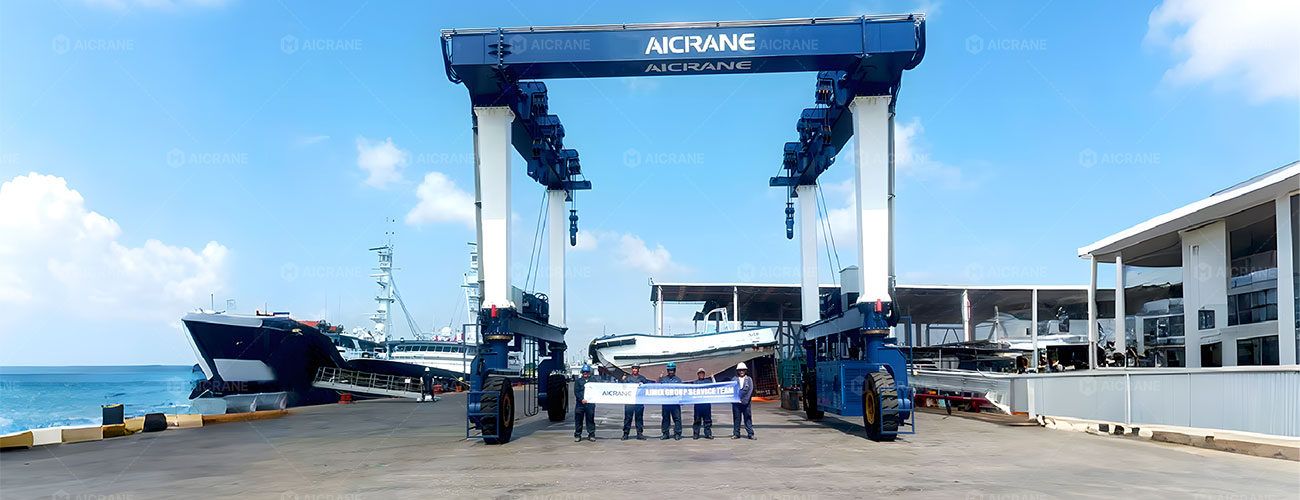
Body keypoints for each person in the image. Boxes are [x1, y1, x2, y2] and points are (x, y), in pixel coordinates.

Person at [621, 364, 649, 440]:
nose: (634, 370)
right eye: (633, 368)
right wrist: (622, 380)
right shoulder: (628, 378)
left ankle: (639, 433)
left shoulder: (642, 378)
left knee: (639, 418)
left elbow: (647, 387)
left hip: (639, 401)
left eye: (636, 368)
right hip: (629, 401)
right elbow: (622, 388)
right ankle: (625, 433)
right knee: (627, 418)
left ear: (638, 369)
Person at [658, 362, 683, 440]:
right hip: (666, 403)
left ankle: (677, 433)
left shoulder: (678, 380)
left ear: (674, 370)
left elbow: (682, 391)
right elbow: (656, 387)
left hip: (675, 403)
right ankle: (665, 433)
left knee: (677, 418)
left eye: (672, 370)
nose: (671, 372)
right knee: (665, 418)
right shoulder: (663, 379)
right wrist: (659, 379)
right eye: (669, 370)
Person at [572, 364, 597, 442]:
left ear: (589, 372)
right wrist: (581, 399)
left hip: (590, 404)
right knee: (579, 420)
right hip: (580, 404)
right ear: (582, 372)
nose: (585, 373)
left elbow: (597, 390)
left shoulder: (593, 381)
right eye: (584, 372)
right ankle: (578, 435)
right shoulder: (578, 381)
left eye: (587, 372)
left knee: (590, 419)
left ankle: (591, 434)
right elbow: (576, 391)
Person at [731, 362, 754, 440]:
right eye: (740, 370)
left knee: (747, 418)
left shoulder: (749, 379)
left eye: (743, 370)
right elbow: (731, 390)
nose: (741, 372)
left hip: (746, 403)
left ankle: (750, 434)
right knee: (736, 418)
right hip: (736, 402)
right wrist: (736, 400)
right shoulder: (734, 379)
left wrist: (745, 401)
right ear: (737, 371)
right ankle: (736, 433)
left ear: (745, 371)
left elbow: (750, 390)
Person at [691, 367, 714, 440]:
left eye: (702, 373)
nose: (701, 374)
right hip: (698, 405)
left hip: (706, 405)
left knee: (707, 420)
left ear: (704, 374)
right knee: (697, 420)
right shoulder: (695, 383)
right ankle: (696, 434)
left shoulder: (708, 382)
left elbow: (715, 387)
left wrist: (713, 378)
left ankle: (708, 434)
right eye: (700, 373)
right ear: (698, 374)